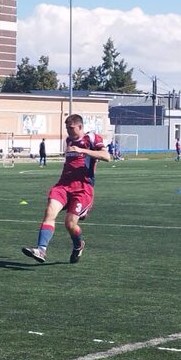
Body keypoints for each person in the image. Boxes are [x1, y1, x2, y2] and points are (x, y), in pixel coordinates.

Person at [22, 114, 110, 265]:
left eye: (71, 128)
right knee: (50, 211)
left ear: (80, 126)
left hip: (82, 188)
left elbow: (107, 156)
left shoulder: (92, 138)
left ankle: (78, 245)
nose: (68, 131)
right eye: (67, 128)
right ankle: (41, 250)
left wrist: (83, 151)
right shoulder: (68, 140)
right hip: (63, 185)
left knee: (70, 224)